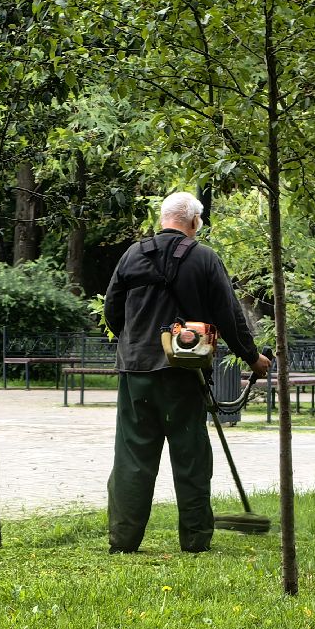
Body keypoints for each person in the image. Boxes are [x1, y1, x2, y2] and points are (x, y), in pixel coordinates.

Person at [102, 191, 270, 554]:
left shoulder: (132, 254)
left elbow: (112, 310)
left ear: (163, 219)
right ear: (194, 221)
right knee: (190, 456)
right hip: (184, 373)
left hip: (135, 372)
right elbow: (229, 314)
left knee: (133, 458)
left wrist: (134, 341)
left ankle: (123, 541)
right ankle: (194, 540)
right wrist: (253, 357)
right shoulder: (204, 258)